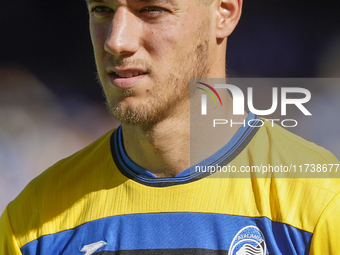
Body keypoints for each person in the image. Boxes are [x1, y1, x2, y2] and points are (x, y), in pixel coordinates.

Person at [1, 0, 339, 254]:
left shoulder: (321, 202)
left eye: (151, 9)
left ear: (224, 12)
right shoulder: (33, 220)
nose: (116, 41)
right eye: (102, 10)